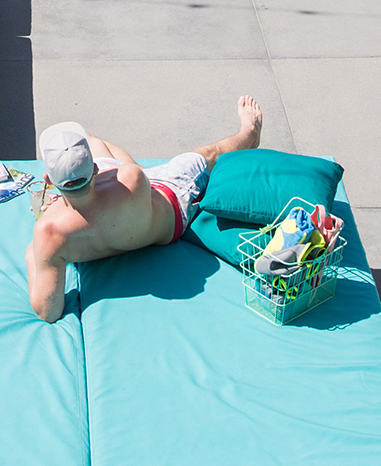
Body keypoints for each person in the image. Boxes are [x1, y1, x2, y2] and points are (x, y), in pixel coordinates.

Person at [25, 98, 264, 323]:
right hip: (170, 208)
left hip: (129, 206)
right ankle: (249, 134)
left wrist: (35, 250)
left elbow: (48, 312)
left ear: (48, 179)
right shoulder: (130, 178)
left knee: (96, 145)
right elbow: (121, 176)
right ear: (95, 170)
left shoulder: (49, 232)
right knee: (208, 153)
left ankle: (250, 136)